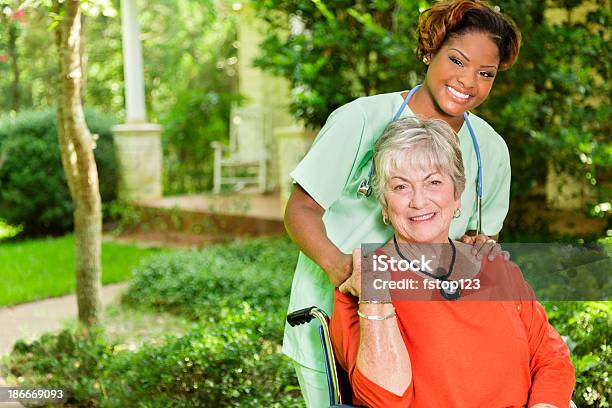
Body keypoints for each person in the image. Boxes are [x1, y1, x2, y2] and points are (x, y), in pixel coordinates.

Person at [283, 1, 522, 405]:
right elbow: (300, 209)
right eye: (457, 61)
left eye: (486, 73)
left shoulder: (492, 151)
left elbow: (480, 236)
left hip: (426, 335)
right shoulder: (361, 119)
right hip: (334, 319)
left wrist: (481, 247)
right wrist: (342, 269)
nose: (468, 81)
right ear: (429, 53)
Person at [330, 117, 575, 408]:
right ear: (384, 204)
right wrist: (375, 297)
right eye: (400, 187)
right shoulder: (362, 283)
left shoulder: (496, 267)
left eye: (433, 182)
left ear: (457, 195)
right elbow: (384, 401)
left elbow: (552, 358)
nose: (419, 201)